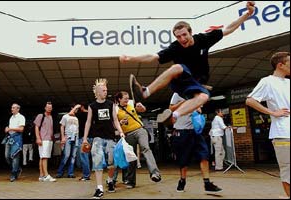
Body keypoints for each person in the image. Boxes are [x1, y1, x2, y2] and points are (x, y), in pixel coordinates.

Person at [120, 1, 255, 124]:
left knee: (203, 97)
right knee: (177, 67)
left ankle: (174, 116)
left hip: (196, 83)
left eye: (184, 35)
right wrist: (131, 58)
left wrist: (247, 14)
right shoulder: (175, 47)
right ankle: (145, 92)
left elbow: (229, 29)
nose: (182, 39)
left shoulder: (203, 39)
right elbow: (153, 56)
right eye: (178, 37)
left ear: (190, 32)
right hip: (181, 81)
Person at [246, 52, 290, 198]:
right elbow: (250, 100)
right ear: (280, 65)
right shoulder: (268, 81)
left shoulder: (289, 82)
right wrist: (272, 112)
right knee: (288, 170)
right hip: (282, 133)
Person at [170, 93, 222, 194]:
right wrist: (185, 102)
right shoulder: (177, 93)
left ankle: (207, 183)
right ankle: (182, 181)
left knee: (204, 155)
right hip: (182, 131)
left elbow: (199, 108)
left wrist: (198, 108)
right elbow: (171, 108)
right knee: (184, 160)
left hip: (195, 132)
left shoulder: (196, 93)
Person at [83, 78, 124, 199]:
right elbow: (88, 122)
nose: (106, 92)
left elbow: (115, 120)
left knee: (112, 163)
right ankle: (99, 188)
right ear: (97, 91)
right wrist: (85, 138)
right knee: (97, 162)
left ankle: (110, 180)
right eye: (103, 90)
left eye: (106, 90)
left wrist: (121, 132)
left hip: (111, 137)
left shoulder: (111, 104)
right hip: (97, 138)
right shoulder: (92, 106)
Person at [114, 91, 161, 189]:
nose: (127, 100)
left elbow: (142, 110)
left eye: (128, 98)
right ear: (119, 99)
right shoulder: (115, 109)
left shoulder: (131, 103)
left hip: (140, 130)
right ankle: (131, 181)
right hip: (128, 134)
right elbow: (114, 123)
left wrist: (141, 107)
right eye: (125, 98)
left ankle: (155, 174)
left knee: (145, 148)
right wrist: (120, 122)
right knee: (131, 157)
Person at [56, 103, 80, 179]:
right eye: (75, 109)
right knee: (66, 155)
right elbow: (62, 126)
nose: (77, 110)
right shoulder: (65, 116)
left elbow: (77, 129)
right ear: (72, 108)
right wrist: (63, 137)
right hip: (68, 137)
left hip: (75, 137)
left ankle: (70, 173)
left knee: (73, 156)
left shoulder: (76, 118)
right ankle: (60, 172)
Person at [3, 103, 25, 182]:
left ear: (18, 109)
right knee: (7, 156)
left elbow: (21, 129)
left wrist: (10, 128)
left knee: (15, 157)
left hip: (17, 138)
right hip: (9, 137)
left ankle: (13, 174)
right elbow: (10, 129)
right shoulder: (11, 117)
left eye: (13, 108)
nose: (11, 109)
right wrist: (7, 129)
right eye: (12, 107)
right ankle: (17, 168)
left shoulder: (21, 117)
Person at [34, 102, 56, 182]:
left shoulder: (50, 117)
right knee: (45, 157)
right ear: (45, 108)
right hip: (43, 139)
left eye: (50, 107)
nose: (49, 109)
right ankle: (46, 175)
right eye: (48, 107)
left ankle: (41, 176)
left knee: (42, 157)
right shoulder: (41, 116)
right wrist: (38, 138)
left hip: (49, 139)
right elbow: (36, 127)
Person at [72, 103, 93, 181]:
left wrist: (76, 107)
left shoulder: (80, 114)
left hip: (84, 138)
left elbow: (71, 113)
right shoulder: (90, 114)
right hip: (91, 137)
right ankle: (87, 174)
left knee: (84, 156)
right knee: (89, 156)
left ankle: (86, 175)